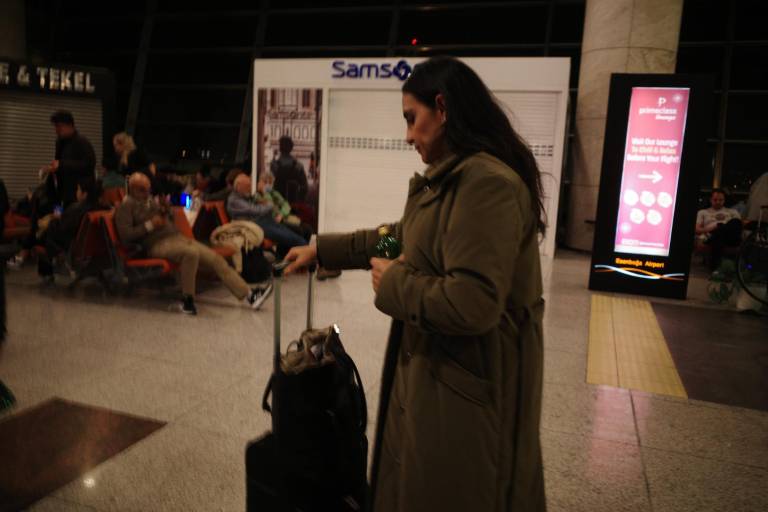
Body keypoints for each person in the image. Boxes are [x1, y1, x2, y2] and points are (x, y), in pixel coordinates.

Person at [284, 56, 547, 512]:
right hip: (442, 371)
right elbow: (396, 238)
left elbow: (475, 302)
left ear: (442, 109)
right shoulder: (450, 181)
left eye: (412, 118)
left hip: (471, 385)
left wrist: (395, 284)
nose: (408, 135)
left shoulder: (486, 184)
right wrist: (321, 250)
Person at [115, 173, 272, 315]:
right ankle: (188, 302)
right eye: (142, 190)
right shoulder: (126, 206)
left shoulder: (149, 201)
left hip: (177, 237)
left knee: (215, 258)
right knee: (190, 254)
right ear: (132, 189)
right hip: (157, 244)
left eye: (148, 189)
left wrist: (166, 210)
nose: (147, 193)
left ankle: (250, 295)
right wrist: (150, 225)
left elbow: (166, 219)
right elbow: (126, 236)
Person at [37, 179, 107, 282]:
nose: (76, 192)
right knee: (45, 233)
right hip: (96, 247)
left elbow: (63, 228)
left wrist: (52, 221)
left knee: (43, 235)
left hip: (73, 247)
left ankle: (49, 271)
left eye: (78, 189)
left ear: (84, 194)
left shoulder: (77, 208)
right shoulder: (101, 209)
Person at [226, 174, 307, 259]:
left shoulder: (245, 196)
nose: (250, 188)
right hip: (256, 224)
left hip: (264, 221)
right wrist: (269, 204)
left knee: (295, 234)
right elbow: (257, 210)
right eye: (248, 186)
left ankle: (288, 258)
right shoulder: (234, 200)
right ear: (238, 187)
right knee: (296, 239)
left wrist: (267, 203)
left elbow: (278, 204)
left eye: (250, 185)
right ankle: (306, 257)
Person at [44, 111, 96, 207]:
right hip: (62, 193)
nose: (56, 130)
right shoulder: (59, 142)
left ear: (70, 125)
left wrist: (62, 164)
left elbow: (89, 165)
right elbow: (59, 162)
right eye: (55, 126)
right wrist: (53, 168)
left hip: (78, 194)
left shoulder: (82, 142)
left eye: (59, 126)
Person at [695, 188, 742, 271]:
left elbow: (738, 226)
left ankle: (714, 267)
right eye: (715, 200)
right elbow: (697, 230)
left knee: (735, 221)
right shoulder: (703, 212)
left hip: (730, 237)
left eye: (720, 200)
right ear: (710, 200)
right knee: (718, 233)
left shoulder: (732, 211)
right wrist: (712, 228)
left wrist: (720, 227)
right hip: (711, 236)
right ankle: (715, 267)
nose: (718, 202)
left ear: (724, 200)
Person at [270, 136, 308, 202]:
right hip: (294, 202)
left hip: (278, 202)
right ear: (291, 148)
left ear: (280, 148)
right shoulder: (299, 166)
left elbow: (269, 186)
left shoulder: (274, 165)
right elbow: (304, 188)